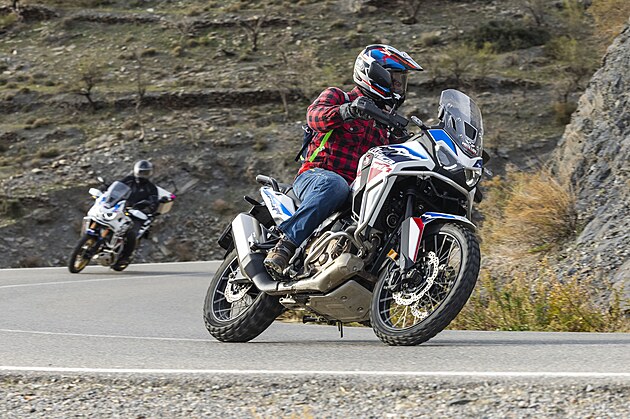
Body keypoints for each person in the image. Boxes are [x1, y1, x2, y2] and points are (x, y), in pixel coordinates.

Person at [264, 44, 423, 275]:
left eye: (402, 81)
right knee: (335, 185)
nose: (399, 86)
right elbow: (314, 117)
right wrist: (346, 111)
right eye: (395, 79)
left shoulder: (388, 126)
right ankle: (285, 245)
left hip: (358, 189)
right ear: (376, 75)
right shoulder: (339, 97)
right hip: (317, 176)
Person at [117, 159, 159, 265]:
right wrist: (106, 189)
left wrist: (147, 207)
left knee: (131, 233)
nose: (143, 175)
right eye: (141, 172)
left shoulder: (151, 188)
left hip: (137, 215)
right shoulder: (128, 180)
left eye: (145, 172)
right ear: (136, 171)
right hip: (121, 208)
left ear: (150, 173)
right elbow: (116, 187)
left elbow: (154, 202)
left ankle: (125, 257)